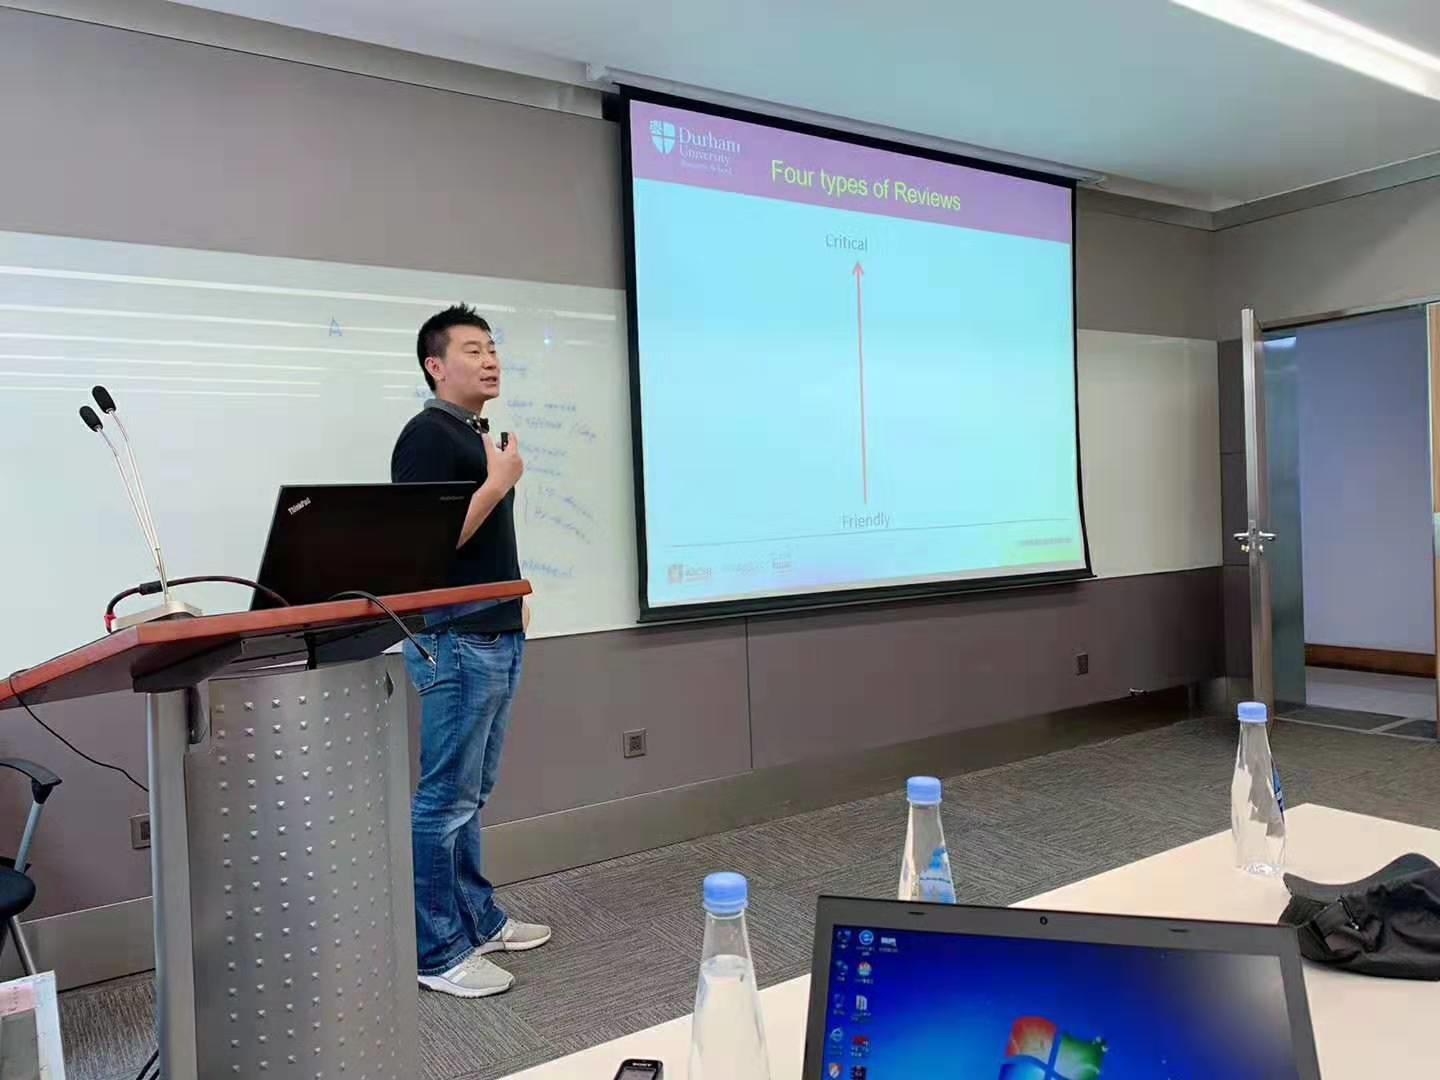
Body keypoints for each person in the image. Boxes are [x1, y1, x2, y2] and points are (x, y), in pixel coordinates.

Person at [391, 303, 549, 998]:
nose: (490, 360)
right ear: (436, 365)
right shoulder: (426, 436)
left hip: (494, 630)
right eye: (473, 350)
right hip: (455, 639)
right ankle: (437, 953)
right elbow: (425, 548)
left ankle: (477, 920)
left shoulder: (472, 433)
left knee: (470, 794)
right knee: (444, 800)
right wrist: (498, 483)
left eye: (492, 349)